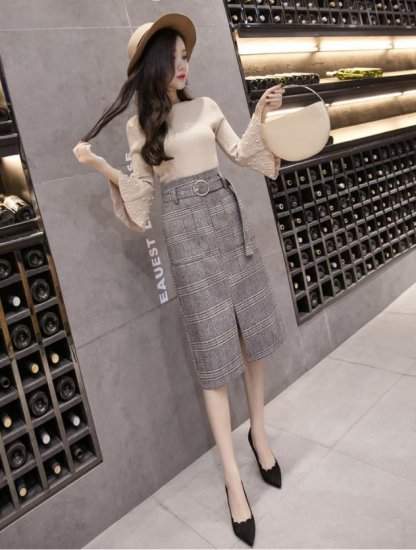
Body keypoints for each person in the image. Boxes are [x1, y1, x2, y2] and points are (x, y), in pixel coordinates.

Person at [73, 12, 286, 547]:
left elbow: (242, 153)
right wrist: (100, 168)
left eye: (185, 56)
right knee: (213, 359)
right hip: (187, 240)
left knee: (252, 338)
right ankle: (233, 481)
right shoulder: (140, 128)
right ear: (153, 66)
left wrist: (261, 113)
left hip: (228, 223)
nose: (183, 65)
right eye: (172, 58)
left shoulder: (207, 107)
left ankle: (259, 434)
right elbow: (142, 200)